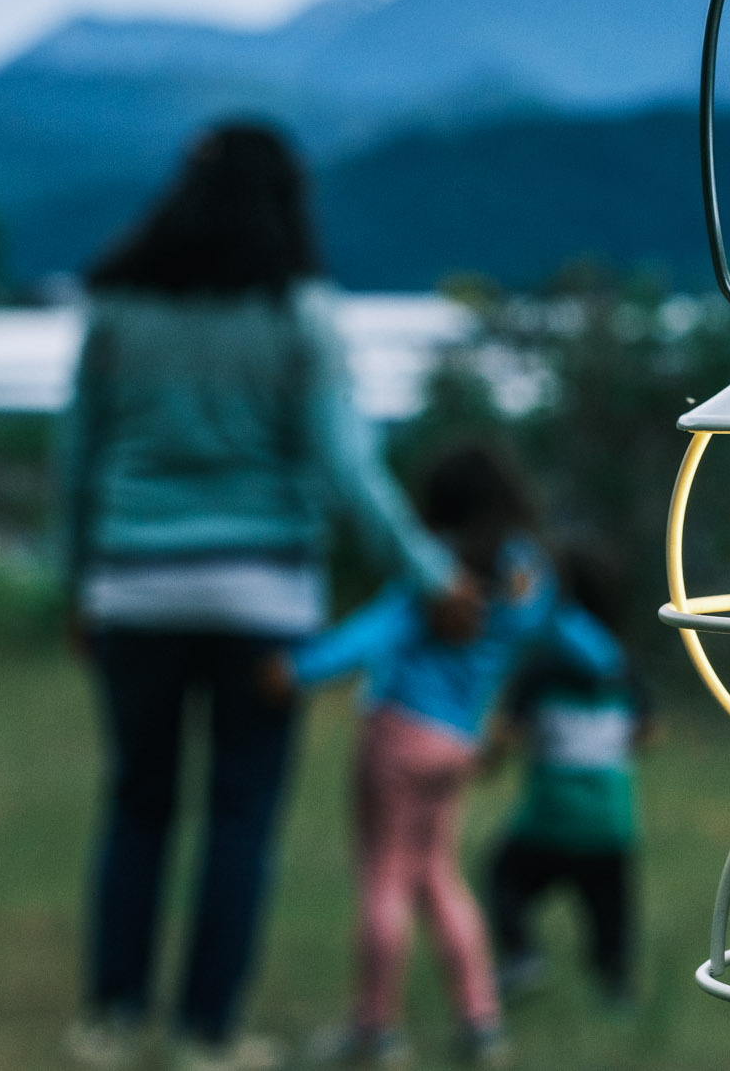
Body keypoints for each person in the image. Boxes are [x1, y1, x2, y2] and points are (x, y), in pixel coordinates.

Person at [59, 123, 475, 1071]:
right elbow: (346, 468)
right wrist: (432, 573)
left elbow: (74, 461)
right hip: (262, 598)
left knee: (137, 802)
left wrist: (77, 584)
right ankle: (210, 1034)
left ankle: (110, 1022)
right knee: (239, 816)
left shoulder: (116, 305)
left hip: (131, 590)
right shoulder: (300, 314)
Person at [269, 445, 622, 1067]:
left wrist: (293, 672)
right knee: (437, 877)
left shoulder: (441, 574)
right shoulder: (532, 578)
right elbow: (590, 650)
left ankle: (375, 1031)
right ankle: (481, 1025)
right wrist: (609, 666)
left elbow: (370, 634)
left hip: (399, 734)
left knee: (385, 879)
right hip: (459, 744)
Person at [483, 542, 652, 1007]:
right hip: (609, 819)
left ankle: (519, 955)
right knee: (611, 920)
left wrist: (485, 762)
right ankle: (616, 996)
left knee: (503, 880)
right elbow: (649, 731)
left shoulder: (541, 664)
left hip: (550, 818)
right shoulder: (623, 663)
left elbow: (505, 734)